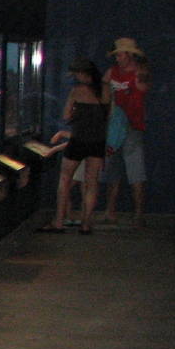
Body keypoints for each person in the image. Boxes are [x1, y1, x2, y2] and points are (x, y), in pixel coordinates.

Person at [36, 58, 108, 234]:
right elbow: (108, 116)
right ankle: (86, 224)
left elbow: (66, 115)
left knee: (65, 179)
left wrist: (77, 115)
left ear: (83, 74)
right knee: (92, 183)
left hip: (78, 140)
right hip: (98, 141)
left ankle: (59, 222)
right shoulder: (107, 90)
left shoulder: (77, 91)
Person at [102, 37, 149, 225]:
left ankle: (138, 213)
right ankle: (109, 211)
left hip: (132, 127)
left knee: (135, 170)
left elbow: (143, 87)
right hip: (113, 129)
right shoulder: (111, 72)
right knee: (112, 171)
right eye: (117, 55)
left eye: (120, 54)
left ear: (129, 55)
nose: (118, 58)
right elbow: (101, 90)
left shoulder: (139, 73)